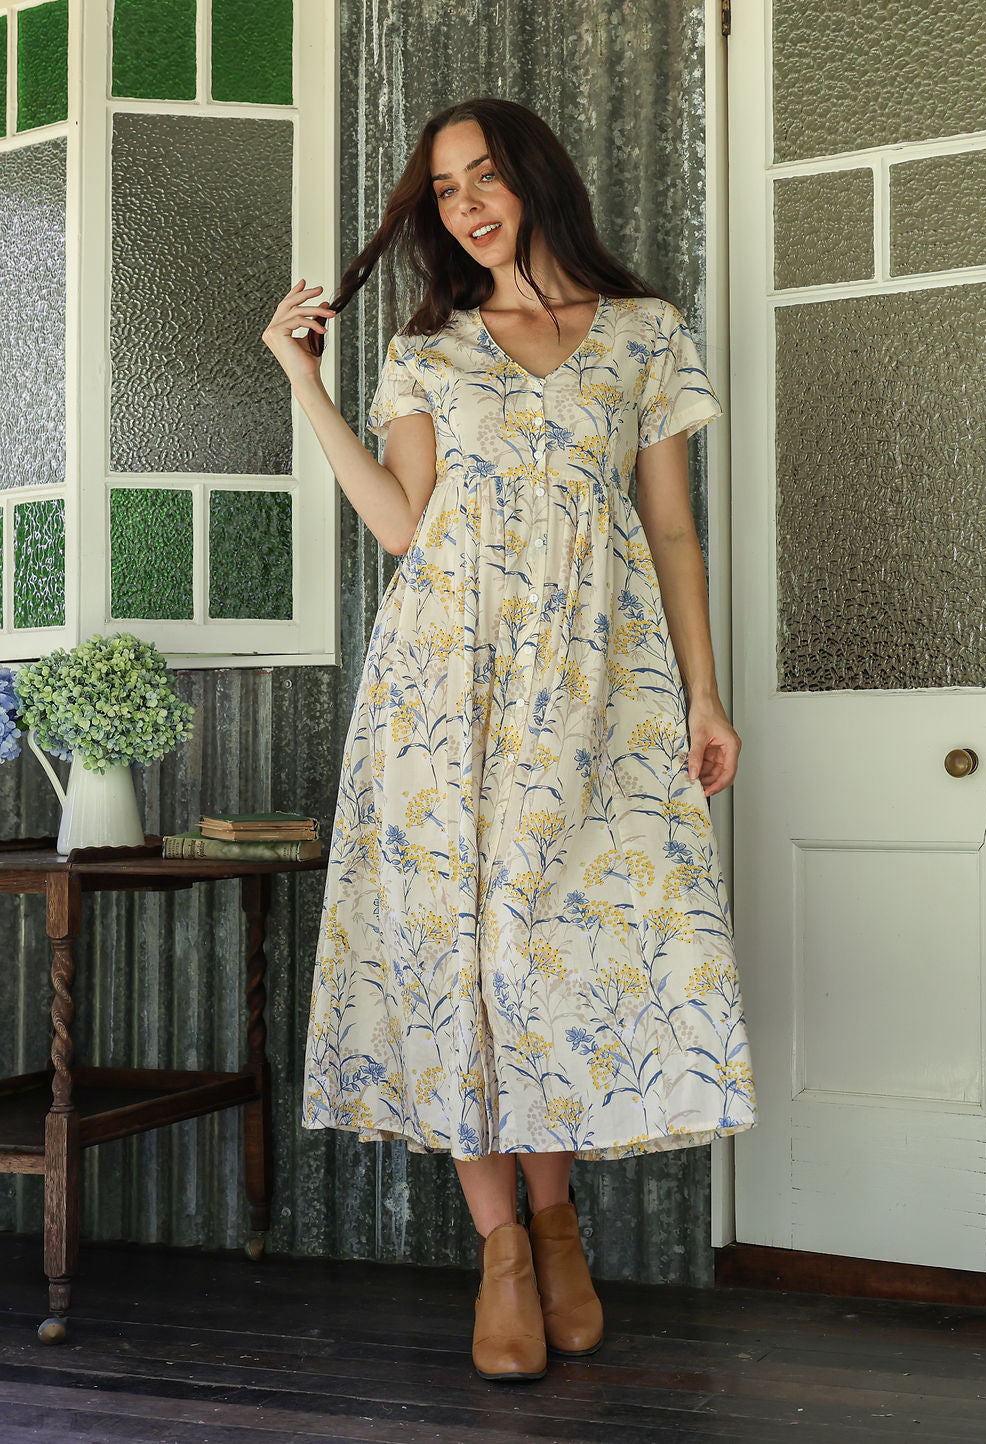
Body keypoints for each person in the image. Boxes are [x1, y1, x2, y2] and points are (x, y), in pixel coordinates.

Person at [262, 96, 757, 1383]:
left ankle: (557, 1223)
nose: (470, 202)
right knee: (457, 965)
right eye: (445, 189)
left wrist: (703, 697)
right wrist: (304, 384)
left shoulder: (643, 335)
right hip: (439, 696)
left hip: (596, 692)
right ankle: (504, 1251)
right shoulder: (429, 351)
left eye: (486, 175)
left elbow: (672, 533)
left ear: (534, 178)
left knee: (550, 957)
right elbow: (401, 526)